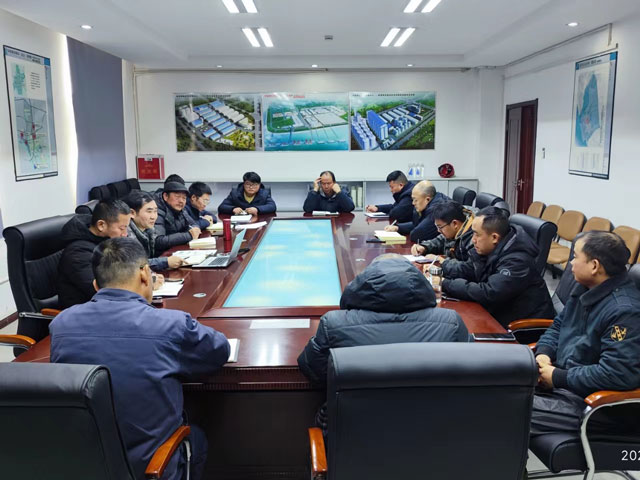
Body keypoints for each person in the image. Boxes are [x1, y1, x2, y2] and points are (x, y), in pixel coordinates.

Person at [50, 238, 230, 480]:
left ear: (95, 285)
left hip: (86, 465)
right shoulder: (171, 324)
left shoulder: (61, 324)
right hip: (150, 469)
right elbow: (219, 350)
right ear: (145, 274)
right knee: (196, 437)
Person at [298, 254, 469, 433]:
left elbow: (312, 369)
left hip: (354, 435)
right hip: (435, 433)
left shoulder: (333, 324)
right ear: (419, 282)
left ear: (364, 283)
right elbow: (468, 373)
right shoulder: (451, 323)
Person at [531, 231, 640, 438]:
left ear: (594, 266)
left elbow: (616, 374)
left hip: (595, 405)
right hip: (565, 385)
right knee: (496, 384)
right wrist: (544, 353)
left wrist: (558, 377)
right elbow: (558, 326)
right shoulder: (585, 288)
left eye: (575, 257)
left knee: (506, 406)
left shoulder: (625, 312)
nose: (571, 263)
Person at [441, 206, 555, 327]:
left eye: (476, 234)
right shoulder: (490, 247)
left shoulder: (518, 261)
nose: (473, 240)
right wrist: (440, 269)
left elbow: (489, 293)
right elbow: (469, 269)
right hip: (497, 314)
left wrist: (446, 284)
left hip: (521, 327)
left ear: (494, 237)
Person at [57, 199, 131, 309]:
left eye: (126, 228)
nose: (125, 234)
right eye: (121, 228)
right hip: (85, 312)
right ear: (101, 225)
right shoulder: (78, 253)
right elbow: (101, 292)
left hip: (107, 305)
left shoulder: (106, 241)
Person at [124, 190, 184, 271]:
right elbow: (134, 265)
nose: (153, 217)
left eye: (155, 211)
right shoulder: (125, 235)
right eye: (149, 211)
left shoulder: (149, 230)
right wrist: (166, 262)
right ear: (132, 213)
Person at [411, 201, 474, 266]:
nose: (438, 230)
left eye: (440, 227)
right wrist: (424, 247)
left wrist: (442, 261)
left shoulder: (473, 237)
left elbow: (468, 268)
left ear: (455, 224)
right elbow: (440, 241)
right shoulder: (454, 231)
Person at [384, 180, 448, 242]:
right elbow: (417, 224)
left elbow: (417, 235)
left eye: (415, 200)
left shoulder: (437, 209)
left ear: (427, 199)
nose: (413, 203)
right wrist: (398, 228)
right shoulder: (431, 201)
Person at [155, 181, 201, 253]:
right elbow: (159, 241)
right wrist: (189, 235)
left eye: (184, 198)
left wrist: (194, 230)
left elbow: (193, 224)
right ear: (165, 196)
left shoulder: (181, 209)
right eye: (177, 197)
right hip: (161, 255)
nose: (181, 201)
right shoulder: (156, 211)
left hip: (176, 250)